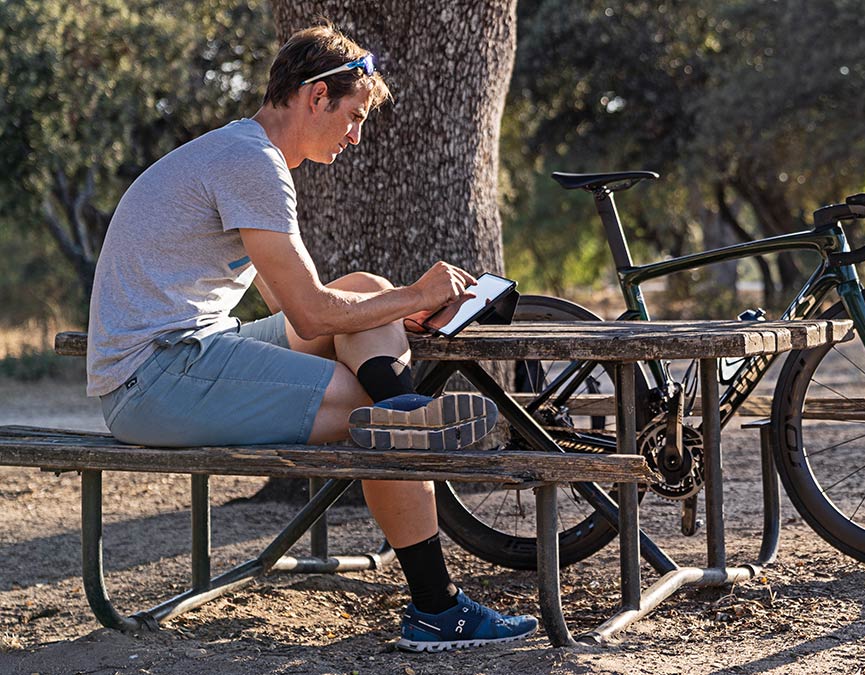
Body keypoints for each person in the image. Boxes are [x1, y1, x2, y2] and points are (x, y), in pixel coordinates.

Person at [84, 22, 537, 652]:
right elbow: (311, 313)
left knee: (363, 288)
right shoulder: (253, 163)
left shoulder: (242, 152)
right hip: (155, 380)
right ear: (314, 96)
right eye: (352, 116)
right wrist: (419, 296)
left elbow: (302, 311)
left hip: (186, 358)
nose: (356, 135)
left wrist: (386, 308)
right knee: (376, 407)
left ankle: (402, 410)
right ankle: (437, 607)